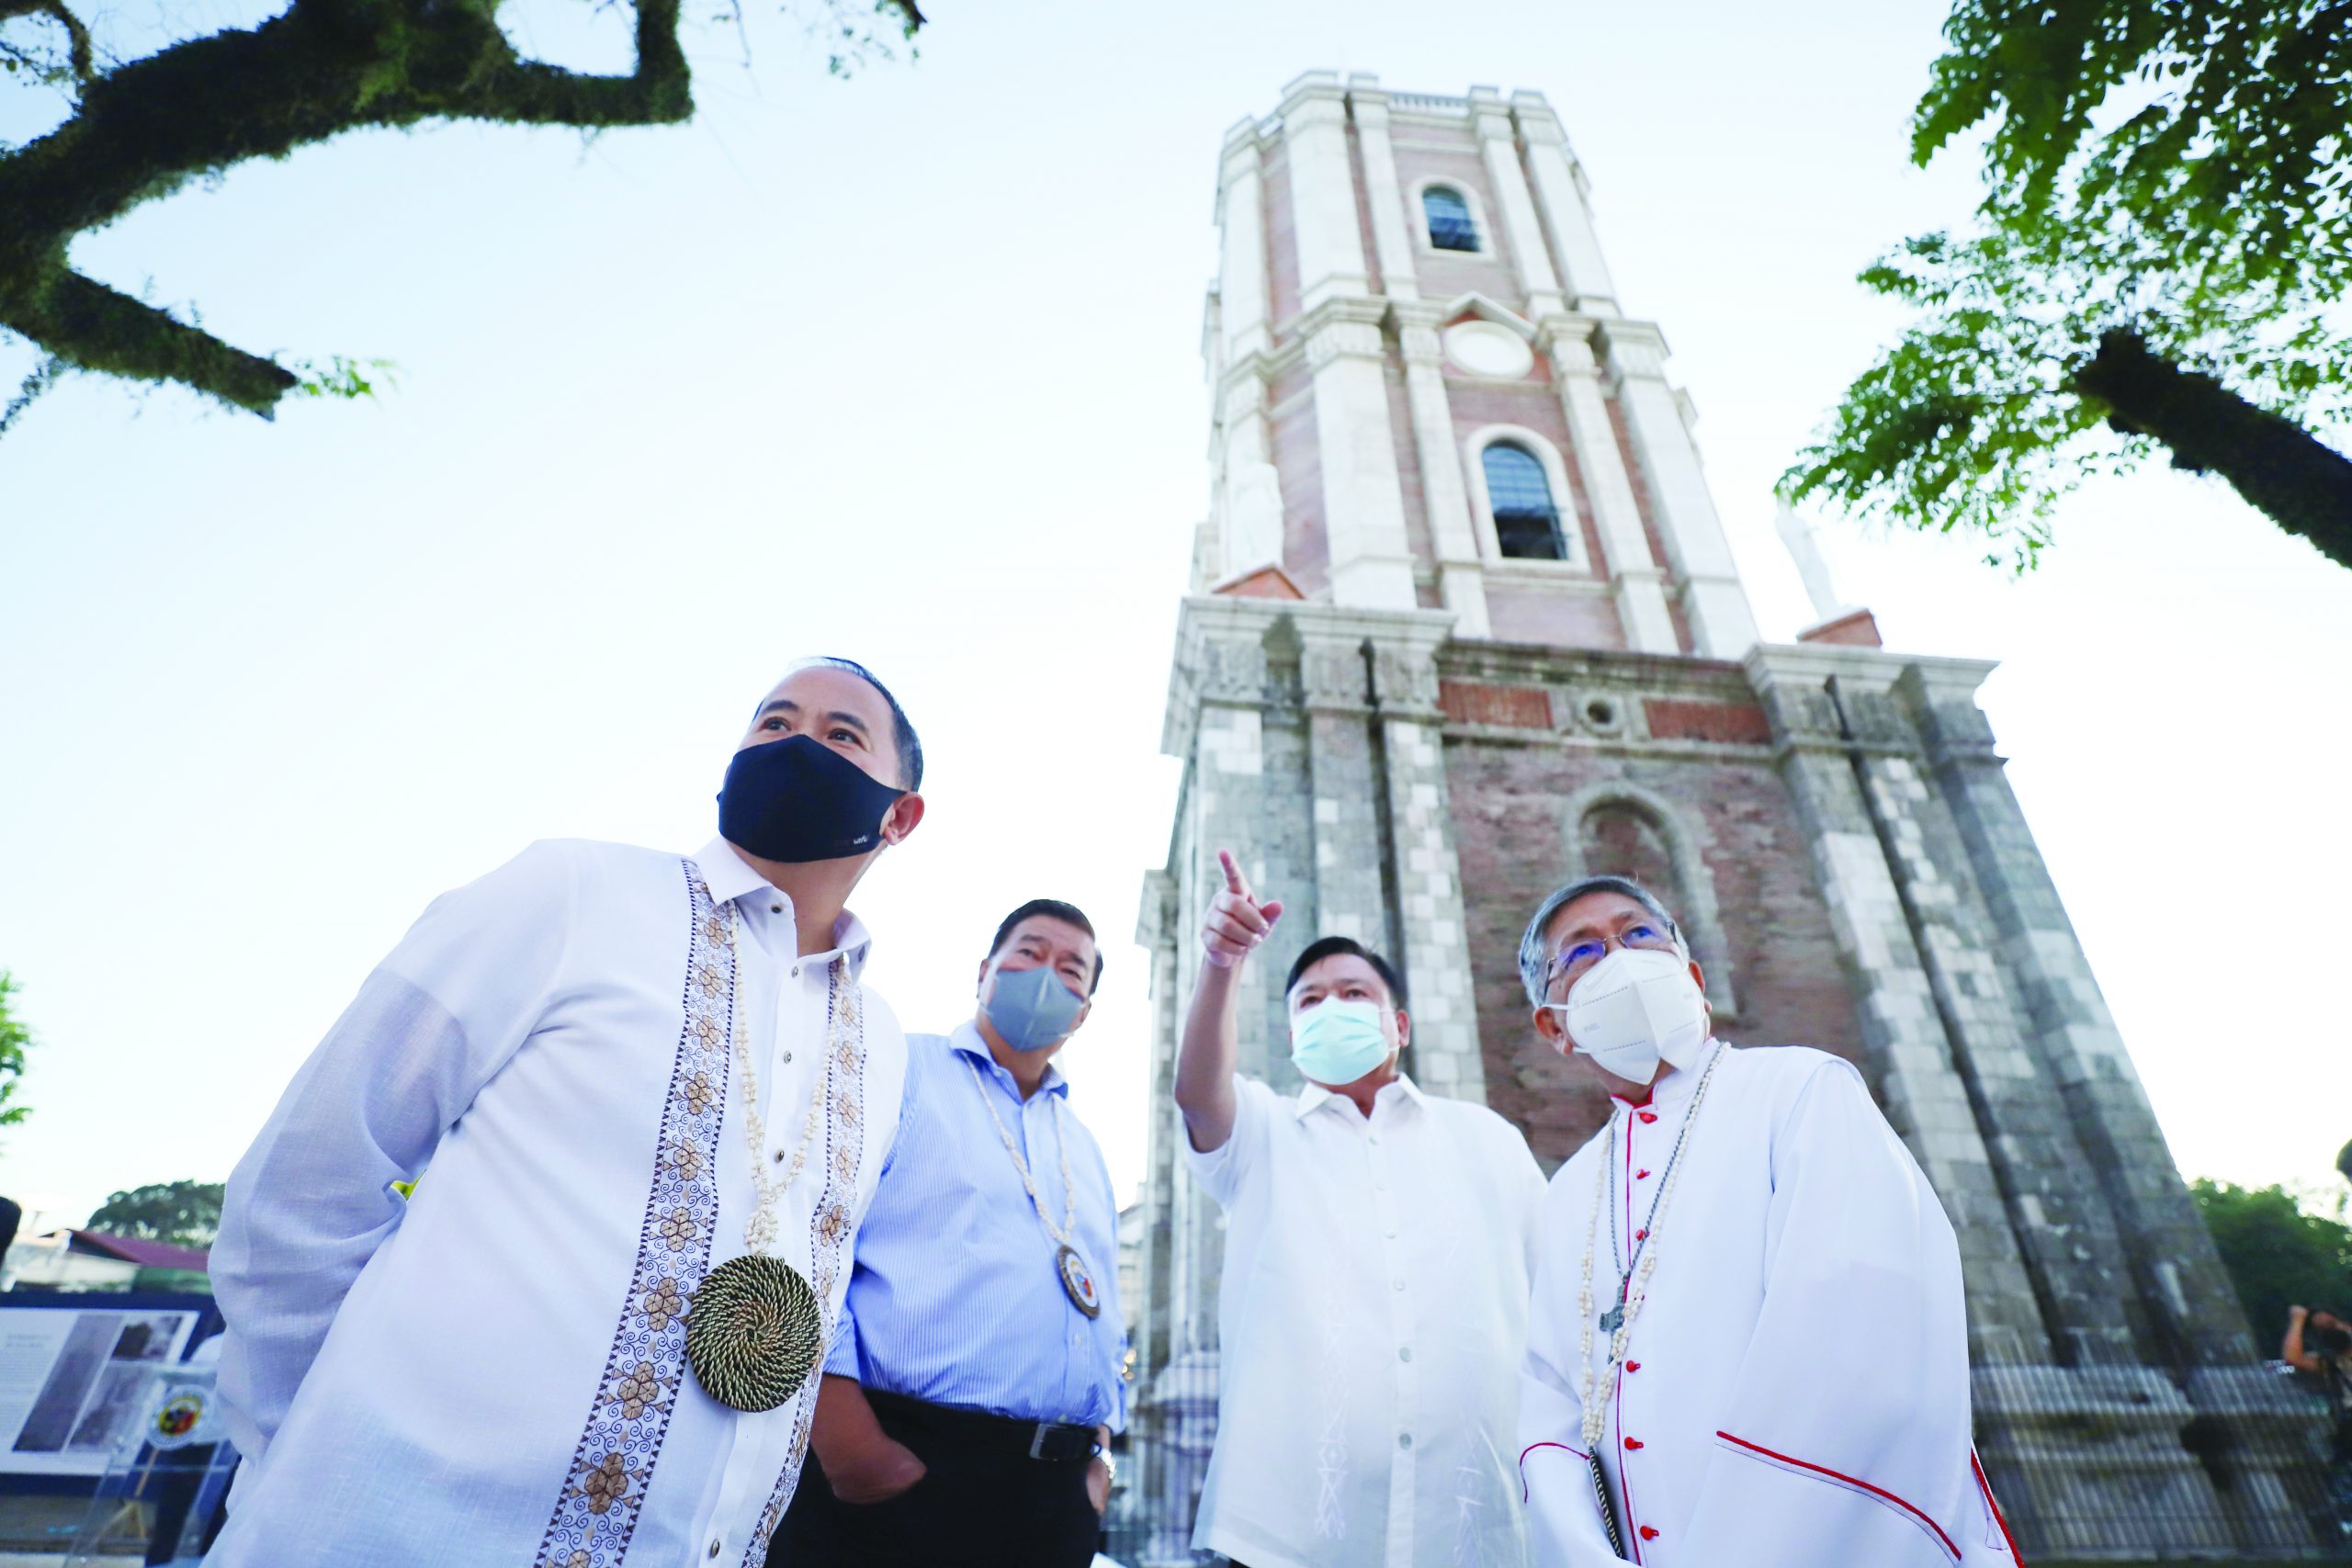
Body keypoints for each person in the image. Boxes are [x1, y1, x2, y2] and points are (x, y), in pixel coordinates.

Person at [208, 658, 926, 1568]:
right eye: (773, 723)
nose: (795, 746)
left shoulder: (885, 1041)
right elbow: (305, 1182)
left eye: (840, 735)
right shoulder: (573, 892)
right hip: (388, 1532)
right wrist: (304, 1452)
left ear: (899, 814)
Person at [1513, 874, 2020, 1566]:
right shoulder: (1569, 1190)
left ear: (1692, 975)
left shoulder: (1802, 1091)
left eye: (1637, 933)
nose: (1618, 956)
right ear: (1555, 1026)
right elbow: (1551, 1395)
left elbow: (1857, 1327)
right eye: (1582, 951)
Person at [1172, 851, 1544, 1568]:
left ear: (1398, 1024)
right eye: (1310, 1001)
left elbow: (1557, 1309)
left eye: (1352, 992)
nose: (1330, 1006)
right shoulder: (1262, 1134)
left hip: (1475, 1533)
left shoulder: (1487, 1140)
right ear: (1291, 1037)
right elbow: (1197, 1092)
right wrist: (1221, 961)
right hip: (1288, 1536)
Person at [771, 898, 1124, 1567]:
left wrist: (1101, 1450)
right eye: (1029, 951)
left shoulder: (1084, 1145)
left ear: (1083, 1012)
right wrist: (850, 1443)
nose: (1046, 973)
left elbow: (1102, 1297)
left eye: (1071, 967)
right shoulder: (901, 1067)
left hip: (1054, 1497)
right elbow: (809, 1232)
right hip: (903, 1465)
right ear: (985, 970)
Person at [2284, 1304, 2352, 1539]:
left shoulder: (2329, 1362)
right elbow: (2290, 1361)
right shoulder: (2331, 1362)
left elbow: (2289, 1360)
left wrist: (2298, 1321)